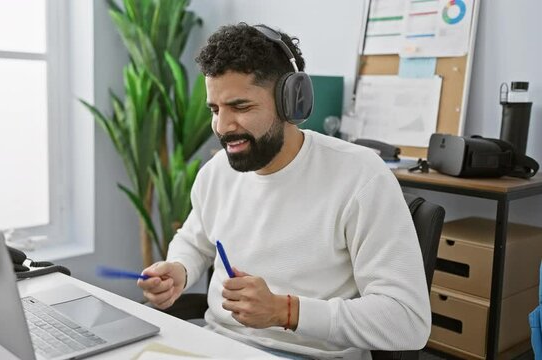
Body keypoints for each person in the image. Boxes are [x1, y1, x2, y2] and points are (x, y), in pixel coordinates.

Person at [137, 23, 430, 359]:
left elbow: (408, 321)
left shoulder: (360, 176)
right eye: (216, 110)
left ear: (291, 101)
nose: (222, 127)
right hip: (215, 345)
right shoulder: (217, 172)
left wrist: (286, 311)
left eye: (241, 107)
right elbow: (195, 241)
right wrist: (179, 270)